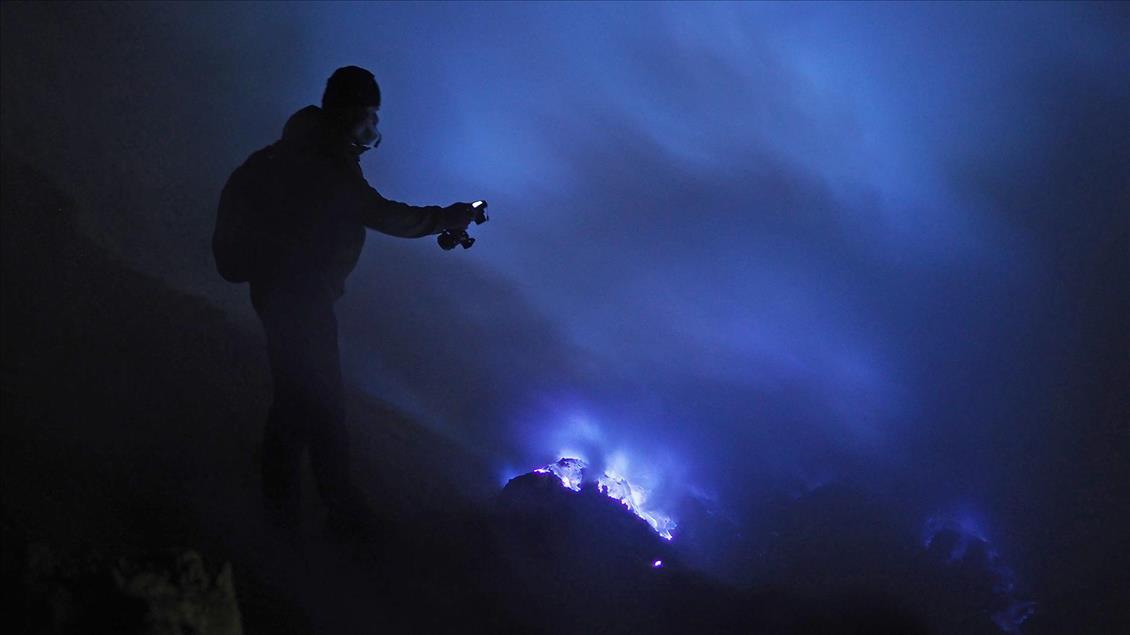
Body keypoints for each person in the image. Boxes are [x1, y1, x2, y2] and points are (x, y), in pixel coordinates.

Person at [228, 66, 477, 533]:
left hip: (281, 291)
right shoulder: (327, 162)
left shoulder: (293, 151)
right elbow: (382, 213)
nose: (374, 130)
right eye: (371, 116)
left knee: (303, 399)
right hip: (302, 295)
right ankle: (310, 518)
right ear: (353, 112)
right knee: (310, 402)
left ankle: (314, 511)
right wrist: (447, 217)